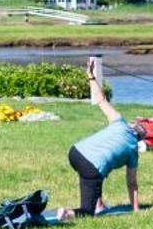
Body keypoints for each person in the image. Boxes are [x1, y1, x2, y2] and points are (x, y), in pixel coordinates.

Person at [56, 57, 142, 218]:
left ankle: (99, 204)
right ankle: (66, 213)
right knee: (88, 212)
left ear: (132, 127)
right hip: (91, 166)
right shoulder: (133, 151)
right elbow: (132, 183)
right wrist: (135, 209)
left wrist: (90, 76)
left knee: (96, 176)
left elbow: (101, 99)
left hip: (75, 153)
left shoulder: (120, 122)